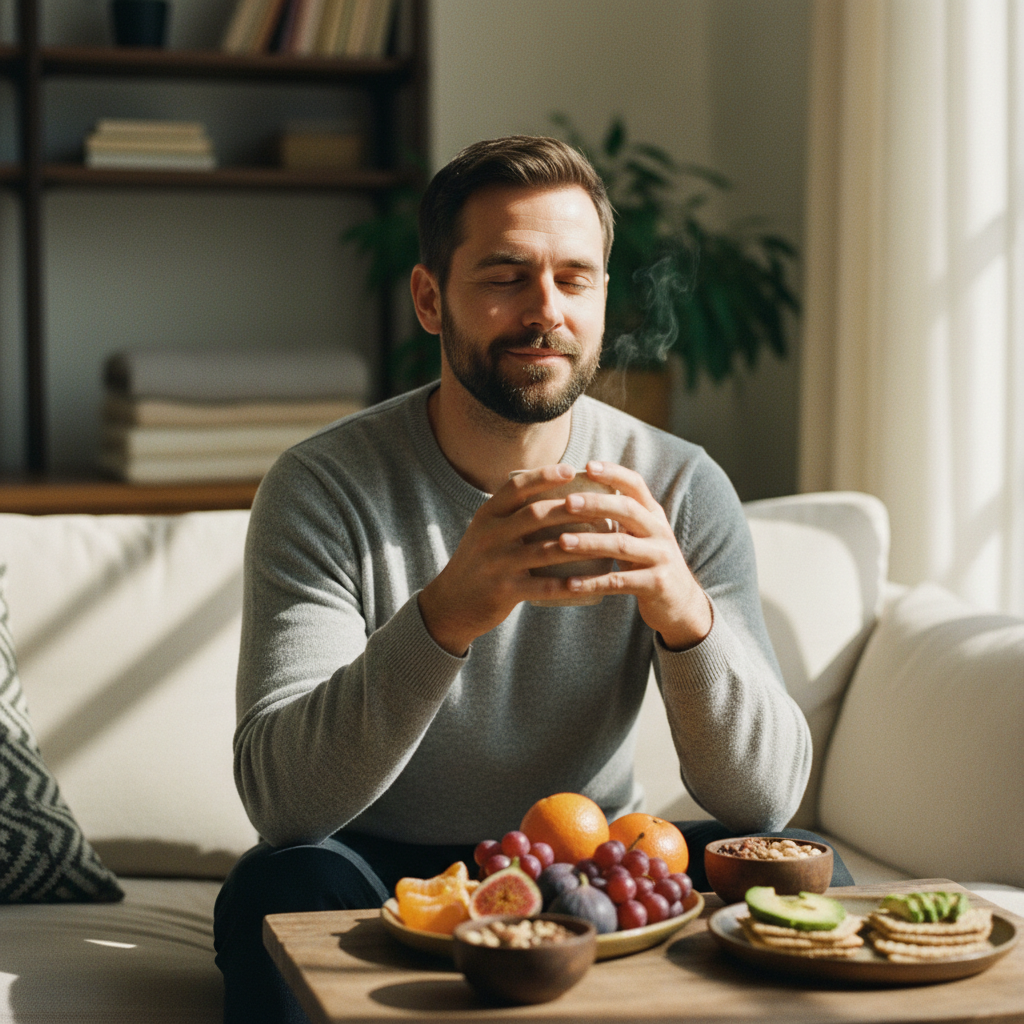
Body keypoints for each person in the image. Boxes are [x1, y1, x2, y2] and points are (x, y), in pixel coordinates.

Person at [213, 135, 851, 1023]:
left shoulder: (678, 486)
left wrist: (685, 614)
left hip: (596, 870)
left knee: (802, 868)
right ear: (430, 298)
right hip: (380, 872)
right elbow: (284, 804)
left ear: (602, 298)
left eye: (574, 278)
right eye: (506, 276)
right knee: (275, 889)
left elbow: (765, 799)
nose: (545, 310)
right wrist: (446, 614)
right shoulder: (323, 487)